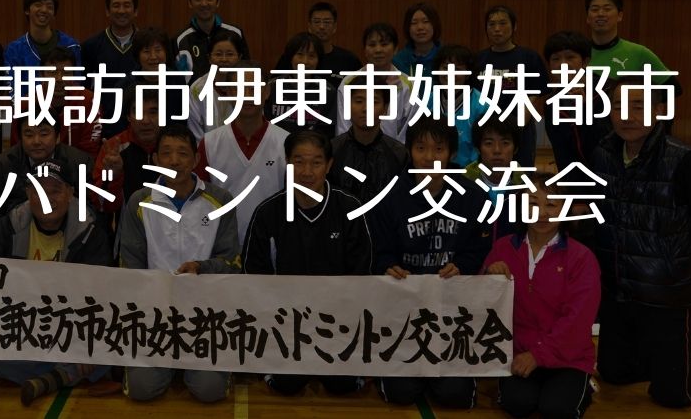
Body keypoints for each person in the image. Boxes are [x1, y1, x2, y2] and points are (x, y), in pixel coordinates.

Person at [591, 79, 691, 408]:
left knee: (674, 394)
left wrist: (683, 267)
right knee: (613, 373)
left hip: (668, 294)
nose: (626, 116)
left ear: (659, 110)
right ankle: (678, 352)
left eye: (638, 106)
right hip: (619, 291)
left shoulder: (684, 160)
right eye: (618, 106)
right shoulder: (603, 153)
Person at [0, 158, 113, 406]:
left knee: (108, 346)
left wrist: (85, 342)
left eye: (55, 191)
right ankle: (66, 373)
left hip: (72, 324)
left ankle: (55, 376)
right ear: (27, 193)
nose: (46, 198)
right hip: (25, 324)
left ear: (71, 193)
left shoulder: (90, 229)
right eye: (38, 191)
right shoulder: (13, 221)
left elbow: (100, 294)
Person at [369, 117, 491, 408]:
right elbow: (377, 248)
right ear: (410, 151)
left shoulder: (473, 197)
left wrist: (463, 265)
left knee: (454, 396)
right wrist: (387, 264)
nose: (429, 157)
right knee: (401, 394)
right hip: (403, 309)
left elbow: (481, 247)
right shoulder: (389, 196)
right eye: (421, 148)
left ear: (451, 153)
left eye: (438, 149)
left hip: (453, 310)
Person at [116, 124, 239, 403]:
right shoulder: (139, 202)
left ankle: (193, 365)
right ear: (155, 159)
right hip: (155, 314)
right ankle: (168, 364)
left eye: (183, 153)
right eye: (167, 153)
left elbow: (232, 261)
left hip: (205, 313)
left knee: (210, 391)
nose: (174, 161)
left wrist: (201, 268)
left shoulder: (220, 200)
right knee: (141, 389)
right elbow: (129, 264)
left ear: (196, 159)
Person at [243, 131, 371, 397]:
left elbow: (362, 274)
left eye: (316, 163)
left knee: (342, 386)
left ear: (329, 165)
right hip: (285, 321)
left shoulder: (349, 208)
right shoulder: (268, 213)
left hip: (337, 321)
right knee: (287, 384)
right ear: (287, 163)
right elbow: (253, 275)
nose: (306, 172)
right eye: (298, 162)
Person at [483, 183, 600, 419]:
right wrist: (488, 276)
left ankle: (585, 385)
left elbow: (577, 320)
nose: (542, 213)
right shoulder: (503, 247)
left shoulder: (581, 257)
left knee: (556, 409)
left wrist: (538, 355)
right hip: (518, 352)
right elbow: (481, 302)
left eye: (551, 205)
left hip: (568, 357)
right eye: (533, 204)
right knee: (517, 404)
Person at [197, 63, 290, 243]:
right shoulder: (209, 143)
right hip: (221, 247)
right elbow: (199, 203)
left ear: (266, 92)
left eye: (253, 88)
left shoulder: (286, 142)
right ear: (228, 93)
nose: (247, 95)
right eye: (239, 88)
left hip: (273, 245)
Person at [0, 114, 92, 242]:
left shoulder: (79, 163)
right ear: (20, 138)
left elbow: (90, 211)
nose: (36, 141)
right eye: (29, 135)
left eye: (44, 134)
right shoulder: (2, 166)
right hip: (15, 240)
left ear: (57, 137)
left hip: (67, 238)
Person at [474, 5, 548, 167]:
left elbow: (535, 95)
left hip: (520, 131)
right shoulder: (478, 59)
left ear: (514, 27)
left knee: (520, 176)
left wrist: (516, 128)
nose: (497, 29)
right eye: (491, 24)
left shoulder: (529, 57)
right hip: (486, 132)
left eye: (503, 23)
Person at [584, 0, 681, 96]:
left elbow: (674, 88)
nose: (600, 14)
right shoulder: (578, 53)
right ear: (588, 18)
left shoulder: (639, 53)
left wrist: (638, 103)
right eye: (595, 9)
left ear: (620, 16)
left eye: (607, 9)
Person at [541, 30, 614, 171]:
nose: (562, 64)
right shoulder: (551, 103)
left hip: (609, 175)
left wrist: (586, 108)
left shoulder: (607, 90)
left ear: (585, 62)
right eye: (555, 59)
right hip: (574, 178)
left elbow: (611, 139)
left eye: (570, 57)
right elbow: (561, 152)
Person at [336, 23, 418, 142]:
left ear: (395, 49)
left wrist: (397, 151)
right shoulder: (348, 83)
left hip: (394, 151)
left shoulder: (408, 85)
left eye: (384, 44)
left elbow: (409, 129)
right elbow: (343, 127)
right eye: (372, 45)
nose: (378, 50)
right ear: (364, 50)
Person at [94, 90, 162, 233]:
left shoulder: (173, 147)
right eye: (138, 112)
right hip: (127, 235)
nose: (146, 120)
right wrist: (113, 177)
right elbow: (102, 206)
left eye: (153, 112)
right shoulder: (114, 148)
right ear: (128, 117)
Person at [329, 82, 407, 204]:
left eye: (374, 102)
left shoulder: (399, 154)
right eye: (359, 101)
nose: (365, 109)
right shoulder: (331, 151)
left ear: (385, 108)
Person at [2, 0, 82, 100]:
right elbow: (12, 90)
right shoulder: (14, 50)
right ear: (27, 10)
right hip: (27, 109)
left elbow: (77, 86)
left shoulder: (71, 45)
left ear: (54, 13)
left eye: (49, 7)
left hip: (65, 108)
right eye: (38, 5)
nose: (44, 10)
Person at [107, 26, 184, 138]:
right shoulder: (124, 86)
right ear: (138, 56)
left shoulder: (178, 81)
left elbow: (182, 123)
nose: (153, 57)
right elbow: (117, 126)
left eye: (158, 50)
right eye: (146, 51)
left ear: (166, 53)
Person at [174, 0, 250, 81]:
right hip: (195, 91)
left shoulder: (235, 32)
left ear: (217, 2)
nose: (204, 3)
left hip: (231, 90)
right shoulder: (180, 39)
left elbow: (247, 68)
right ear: (190, 3)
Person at [429, 44, 492, 168]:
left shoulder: (482, 105)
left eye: (457, 69)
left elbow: (485, 146)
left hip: (470, 172)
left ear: (468, 74)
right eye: (445, 68)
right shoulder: (427, 101)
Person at [265, 32, 335, 136]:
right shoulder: (272, 87)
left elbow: (327, 131)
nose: (305, 61)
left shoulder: (328, 92)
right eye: (300, 54)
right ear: (290, 57)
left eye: (311, 56)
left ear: (318, 60)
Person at [465, 116, 522, 242]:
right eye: (489, 143)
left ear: (516, 148)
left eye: (505, 143)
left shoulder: (527, 187)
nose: (497, 150)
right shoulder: (462, 187)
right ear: (478, 148)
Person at [187, 30, 247, 142]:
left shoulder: (249, 87)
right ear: (209, 58)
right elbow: (195, 132)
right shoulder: (197, 89)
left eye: (230, 54)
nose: (224, 59)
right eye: (218, 54)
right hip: (207, 149)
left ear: (239, 57)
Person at [81, 0, 141, 89]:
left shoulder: (146, 45)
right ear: (107, 11)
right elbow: (85, 87)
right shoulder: (90, 46)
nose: (121, 11)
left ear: (135, 11)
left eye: (127, 6)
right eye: (116, 6)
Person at [306, 1, 362, 76]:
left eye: (327, 22)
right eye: (317, 22)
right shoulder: (301, 59)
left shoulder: (349, 60)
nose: (321, 27)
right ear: (309, 26)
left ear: (335, 27)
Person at [391, 2, 442, 79]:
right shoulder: (398, 61)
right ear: (407, 27)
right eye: (414, 23)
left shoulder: (446, 58)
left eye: (425, 21)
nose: (420, 27)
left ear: (435, 25)